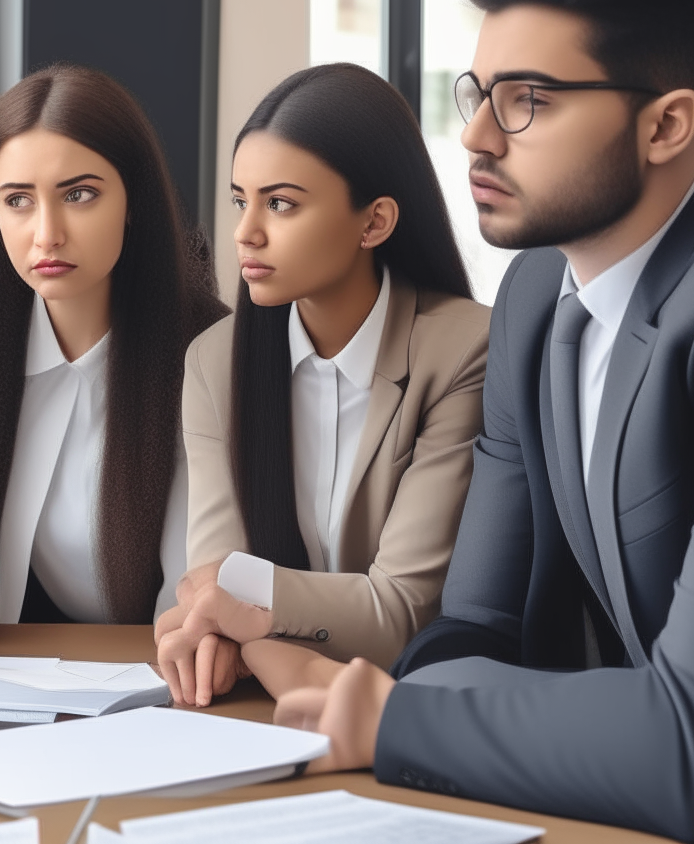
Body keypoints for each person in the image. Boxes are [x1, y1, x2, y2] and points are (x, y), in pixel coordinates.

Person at [269, 0, 694, 842]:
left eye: (530, 102)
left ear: (667, 126)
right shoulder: (532, 294)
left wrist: (397, 717)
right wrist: (431, 703)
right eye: (479, 94)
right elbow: (477, 626)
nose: (473, 138)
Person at [0, 63, 227, 669]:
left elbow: (188, 581)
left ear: (131, 201)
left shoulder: (208, 348)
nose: (46, 234)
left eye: (79, 195)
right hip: (22, 670)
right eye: (18, 201)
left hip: (152, 674)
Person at [155, 63, 490, 707]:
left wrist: (246, 610)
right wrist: (221, 627)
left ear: (375, 222)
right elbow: (210, 586)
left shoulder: (463, 351)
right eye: (239, 199)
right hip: (256, 714)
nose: (245, 232)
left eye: (280, 203)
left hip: (411, 710)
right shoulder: (214, 362)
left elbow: (403, 612)